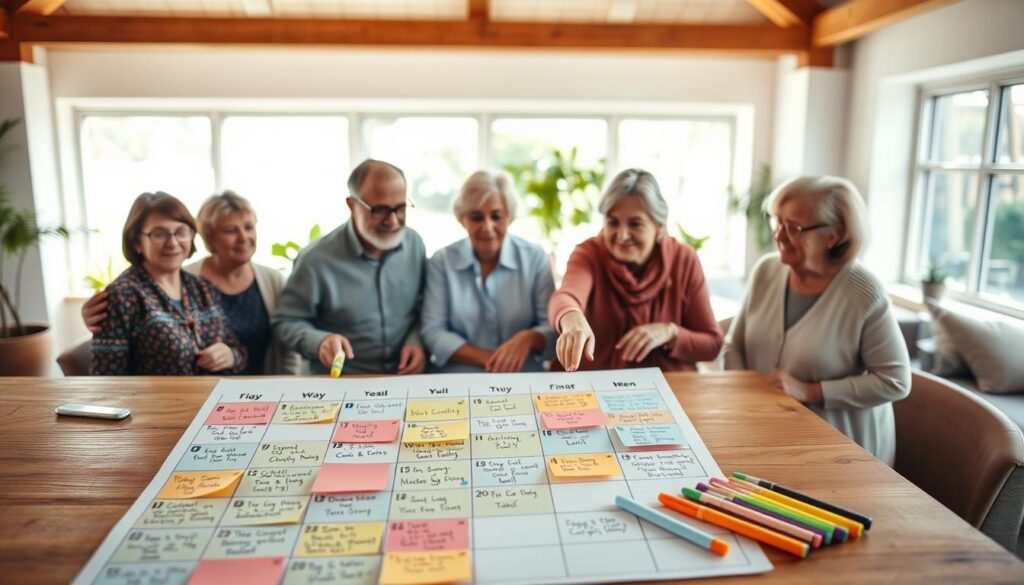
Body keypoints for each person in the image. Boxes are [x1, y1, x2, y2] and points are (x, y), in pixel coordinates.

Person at [723, 176, 910, 466]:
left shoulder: (864, 292)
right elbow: (733, 346)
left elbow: (895, 381)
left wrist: (811, 391)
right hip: (768, 438)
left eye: (794, 228)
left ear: (834, 234)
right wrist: (747, 394)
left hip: (843, 455)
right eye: (777, 222)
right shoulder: (766, 271)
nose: (779, 236)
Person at [84, 191, 301, 375]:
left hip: (219, 407)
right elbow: (106, 380)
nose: (172, 242)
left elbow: (237, 350)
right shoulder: (123, 295)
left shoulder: (199, 287)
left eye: (181, 232)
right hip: (159, 415)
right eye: (159, 234)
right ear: (136, 242)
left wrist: (230, 355)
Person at [549, 168, 722, 372]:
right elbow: (567, 295)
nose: (622, 235)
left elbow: (712, 344)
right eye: (613, 223)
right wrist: (572, 318)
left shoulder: (684, 259)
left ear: (659, 226)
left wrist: (670, 332)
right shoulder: (589, 254)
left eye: (635, 224)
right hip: (596, 385)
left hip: (670, 386)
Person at [272, 159, 427, 375]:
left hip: (405, 377)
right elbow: (286, 323)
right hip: (344, 378)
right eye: (380, 210)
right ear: (352, 205)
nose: (393, 221)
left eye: (400, 208)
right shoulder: (315, 260)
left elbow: (424, 306)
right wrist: (320, 341)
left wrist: (416, 339)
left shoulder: (414, 244)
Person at [421, 170, 556, 373]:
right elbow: (434, 331)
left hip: (522, 374)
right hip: (459, 375)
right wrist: (493, 359)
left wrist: (529, 338)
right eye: (476, 217)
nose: (487, 227)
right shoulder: (442, 262)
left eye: (496, 216)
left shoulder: (535, 258)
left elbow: (551, 328)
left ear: (509, 217)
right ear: (462, 219)